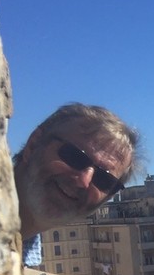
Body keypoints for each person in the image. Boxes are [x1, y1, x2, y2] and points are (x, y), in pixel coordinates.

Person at [13, 104, 140, 266]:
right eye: (75, 157)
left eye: (103, 180)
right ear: (33, 144)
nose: (84, 181)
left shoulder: (17, 262)